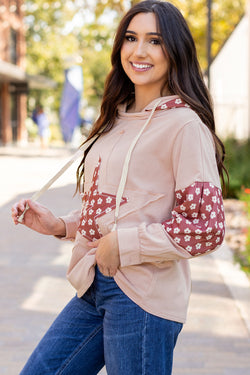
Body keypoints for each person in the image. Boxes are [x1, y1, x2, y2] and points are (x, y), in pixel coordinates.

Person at [12, 1, 228, 374]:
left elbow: (206, 227)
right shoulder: (115, 119)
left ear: (174, 50)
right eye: (131, 37)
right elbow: (126, 204)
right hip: (95, 282)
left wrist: (123, 245)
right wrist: (61, 225)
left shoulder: (184, 126)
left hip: (145, 297)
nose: (139, 50)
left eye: (154, 41)